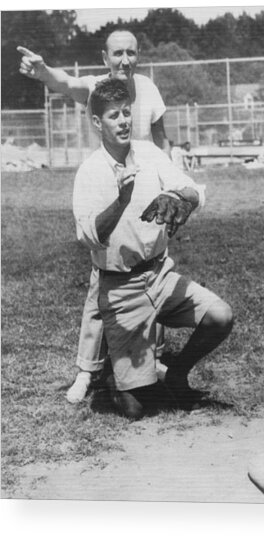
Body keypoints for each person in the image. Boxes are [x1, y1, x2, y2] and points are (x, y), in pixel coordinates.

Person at [18, 30, 170, 403]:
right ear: (105, 57)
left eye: (131, 53)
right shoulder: (97, 87)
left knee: (156, 274)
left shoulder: (148, 89)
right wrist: (42, 72)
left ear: (138, 56)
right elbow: (66, 83)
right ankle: (87, 370)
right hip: (112, 195)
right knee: (104, 282)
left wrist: (173, 187)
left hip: (150, 198)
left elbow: (163, 140)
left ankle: (155, 358)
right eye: (117, 53)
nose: (125, 60)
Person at [72, 78, 233, 420]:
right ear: (97, 123)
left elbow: (194, 190)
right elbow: (87, 236)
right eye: (114, 115)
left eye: (127, 113)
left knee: (221, 316)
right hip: (121, 287)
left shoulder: (147, 153)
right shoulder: (90, 172)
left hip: (160, 274)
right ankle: (116, 377)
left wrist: (177, 199)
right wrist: (122, 201)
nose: (124, 121)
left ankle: (176, 373)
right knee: (134, 409)